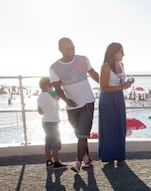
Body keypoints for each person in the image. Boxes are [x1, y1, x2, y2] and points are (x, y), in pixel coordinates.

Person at [49, 37, 100, 172]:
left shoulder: (83, 59)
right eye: (68, 48)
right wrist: (67, 101)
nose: (71, 51)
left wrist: (105, 85)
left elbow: (93, 74)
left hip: (87, 101)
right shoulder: (54, 68)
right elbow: (58, 89)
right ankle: (87, 158)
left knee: (82, 134)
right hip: (71, 106)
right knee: (80, 135)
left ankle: (77, 162)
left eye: (73, 47)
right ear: (60, 49)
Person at [98, 42, 134, 167]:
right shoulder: (106, 67)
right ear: (113, 53)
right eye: (120, 51)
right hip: (108, 99)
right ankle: (109, 157)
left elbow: (121, 84)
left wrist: (127, 84)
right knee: (109, 127)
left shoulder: (121, 65)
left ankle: (120, 157)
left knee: (120, 127)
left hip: (118, 98)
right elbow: (103, 88)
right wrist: (122, 87)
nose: (123, 54)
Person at [37, 77, 67, 169]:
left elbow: (40, 112)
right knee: (55, 143)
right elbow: (59, 99)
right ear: (48, 86)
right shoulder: (52, 93)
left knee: (48, 142)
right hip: (53, 121)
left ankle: (49, 161)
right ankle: (57, 162)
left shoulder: (39, 97)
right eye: (52, 86)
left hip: (45, 122)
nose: (53, 87)